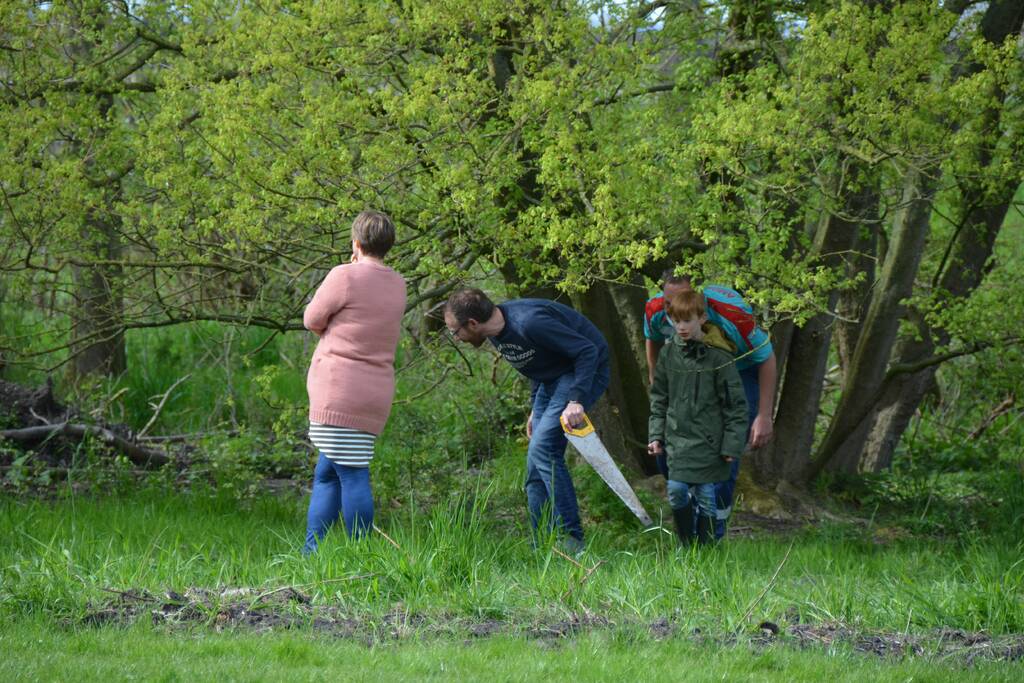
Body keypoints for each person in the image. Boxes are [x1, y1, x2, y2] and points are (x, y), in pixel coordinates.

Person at [444, 289, 610, 553]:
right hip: (552, 378)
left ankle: (573, 542)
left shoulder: (531, 323)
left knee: (544, 449)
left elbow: (587, 351)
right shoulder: (495, 333)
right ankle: (541, 545)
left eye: (456, 332)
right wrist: (536, 406)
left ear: (472, 324)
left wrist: (576, 400)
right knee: (534, 463)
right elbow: (536, 363)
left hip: (582, 371)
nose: (457, 338)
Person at [302, 210, 407, 554]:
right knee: (328, 472)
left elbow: (312, 318)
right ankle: (312, 553)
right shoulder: (398, 283)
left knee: (352, 474)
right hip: (375, 393)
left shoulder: (344, 275)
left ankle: (357, 553)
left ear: (356, 243)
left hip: (339, 391)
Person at [643, 270, 777, 538]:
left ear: (700, 297)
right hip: (688, 366)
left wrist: (763, 414)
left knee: (724, 449)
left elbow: (766, 357)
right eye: (670, 304)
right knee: (672, 455)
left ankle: (713, 533)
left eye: (684, 300)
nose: (675, 311)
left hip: (740, 367)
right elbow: (653, 341)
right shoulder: (657, 309)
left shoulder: (731, 312)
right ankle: (688, 530)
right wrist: (659, 380)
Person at [647, 290, 748, 545]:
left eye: (687, 320)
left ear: (702, 319)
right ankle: (686, 545)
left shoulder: (720, 357)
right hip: (677, 440)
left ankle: (704, 551)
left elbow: (736, 406)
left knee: (706, 496)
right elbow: (659, 397)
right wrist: (656, 435)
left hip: (710, 441)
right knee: (677, 490)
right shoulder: (668, 355)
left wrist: (731, 445)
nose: (681, 327)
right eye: (676, 321)